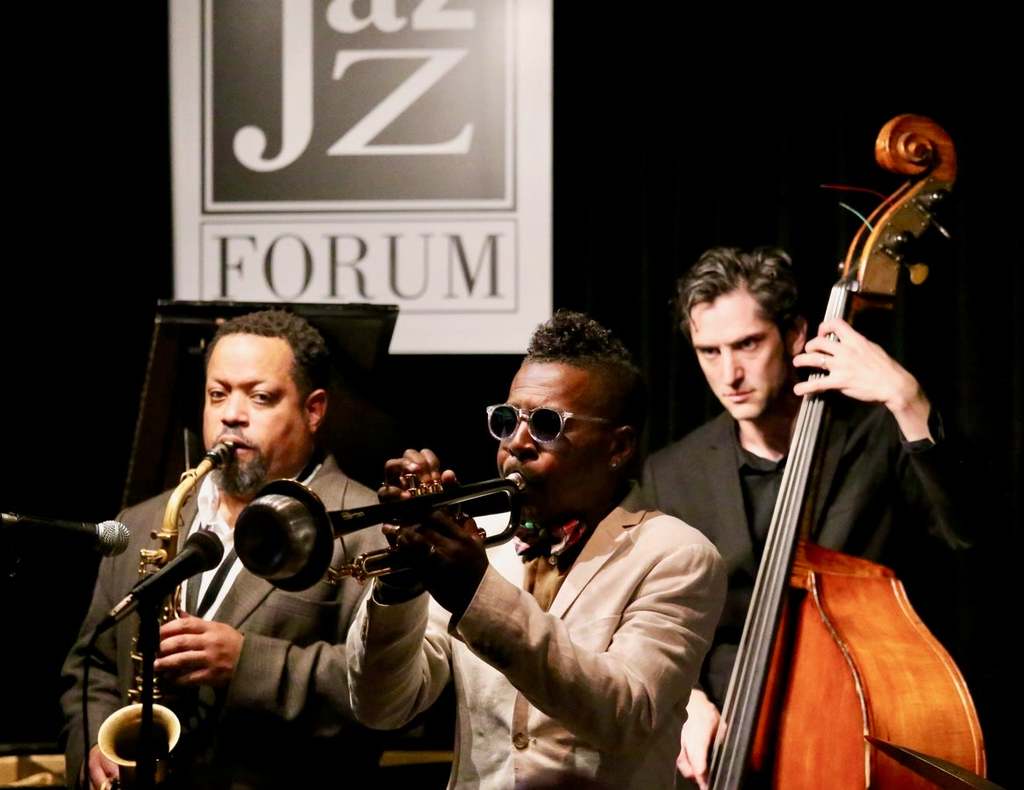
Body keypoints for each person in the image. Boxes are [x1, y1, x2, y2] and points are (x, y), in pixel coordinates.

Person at [344, 310, 726, 789]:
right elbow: (382, 708)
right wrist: (400, 586)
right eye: (506, 421)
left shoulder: (675, 554)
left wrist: (476, 590)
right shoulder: (480, 541)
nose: (517, 443)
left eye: (546, 425)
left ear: (618, 447)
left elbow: (625, 715)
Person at [639, 246, 970, 788]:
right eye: (709, 352)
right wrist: (686, 699)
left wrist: (908, 400)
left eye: (748, 344)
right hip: (721, 744)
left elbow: (970, 536)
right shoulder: (672, 472)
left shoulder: (879, 436)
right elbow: (648, 615)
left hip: (849, 724)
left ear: (795, 335)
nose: (730, 374)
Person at [60, 309, 386, 789]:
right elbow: (91, 667)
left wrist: (246, 662)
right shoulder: (142, 521)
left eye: (260, 396)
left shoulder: (365, 526)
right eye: (218, 394)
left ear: (313, 411)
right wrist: (95, 747)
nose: (231, 414)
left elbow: (385, 692)